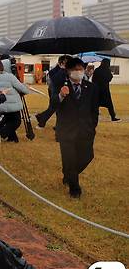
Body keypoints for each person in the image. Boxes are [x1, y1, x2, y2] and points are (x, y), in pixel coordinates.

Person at [52, 57, 99, 198]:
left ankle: (68, 174)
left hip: (86, 130)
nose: (78, 72)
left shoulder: (91, 87)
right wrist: (61, 95)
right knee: (70, 159)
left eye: (80, 69)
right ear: (68, 71)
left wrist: (92, 126)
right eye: (75, 69)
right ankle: (75, 189)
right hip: (66, 130)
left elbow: (94, 110)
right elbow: (52, 104)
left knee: (87, 156)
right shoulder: (60, 84)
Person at [0, 59, 30, 143]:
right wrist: (25, 88)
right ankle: (0, 133)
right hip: (11, 104)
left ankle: (12, 138)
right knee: (16, 121)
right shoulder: (10, 76)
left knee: (9, 119)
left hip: (0, 103)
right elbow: (22, 89)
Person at [35, 55, 70, 128]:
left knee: (56, 108)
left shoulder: (63, 70)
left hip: (55, 90)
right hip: (56, 92)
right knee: (55, 108)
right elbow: (55, 78)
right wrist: (61, 68)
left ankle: (42, 119)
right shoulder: (61, 70)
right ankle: (42, 119)